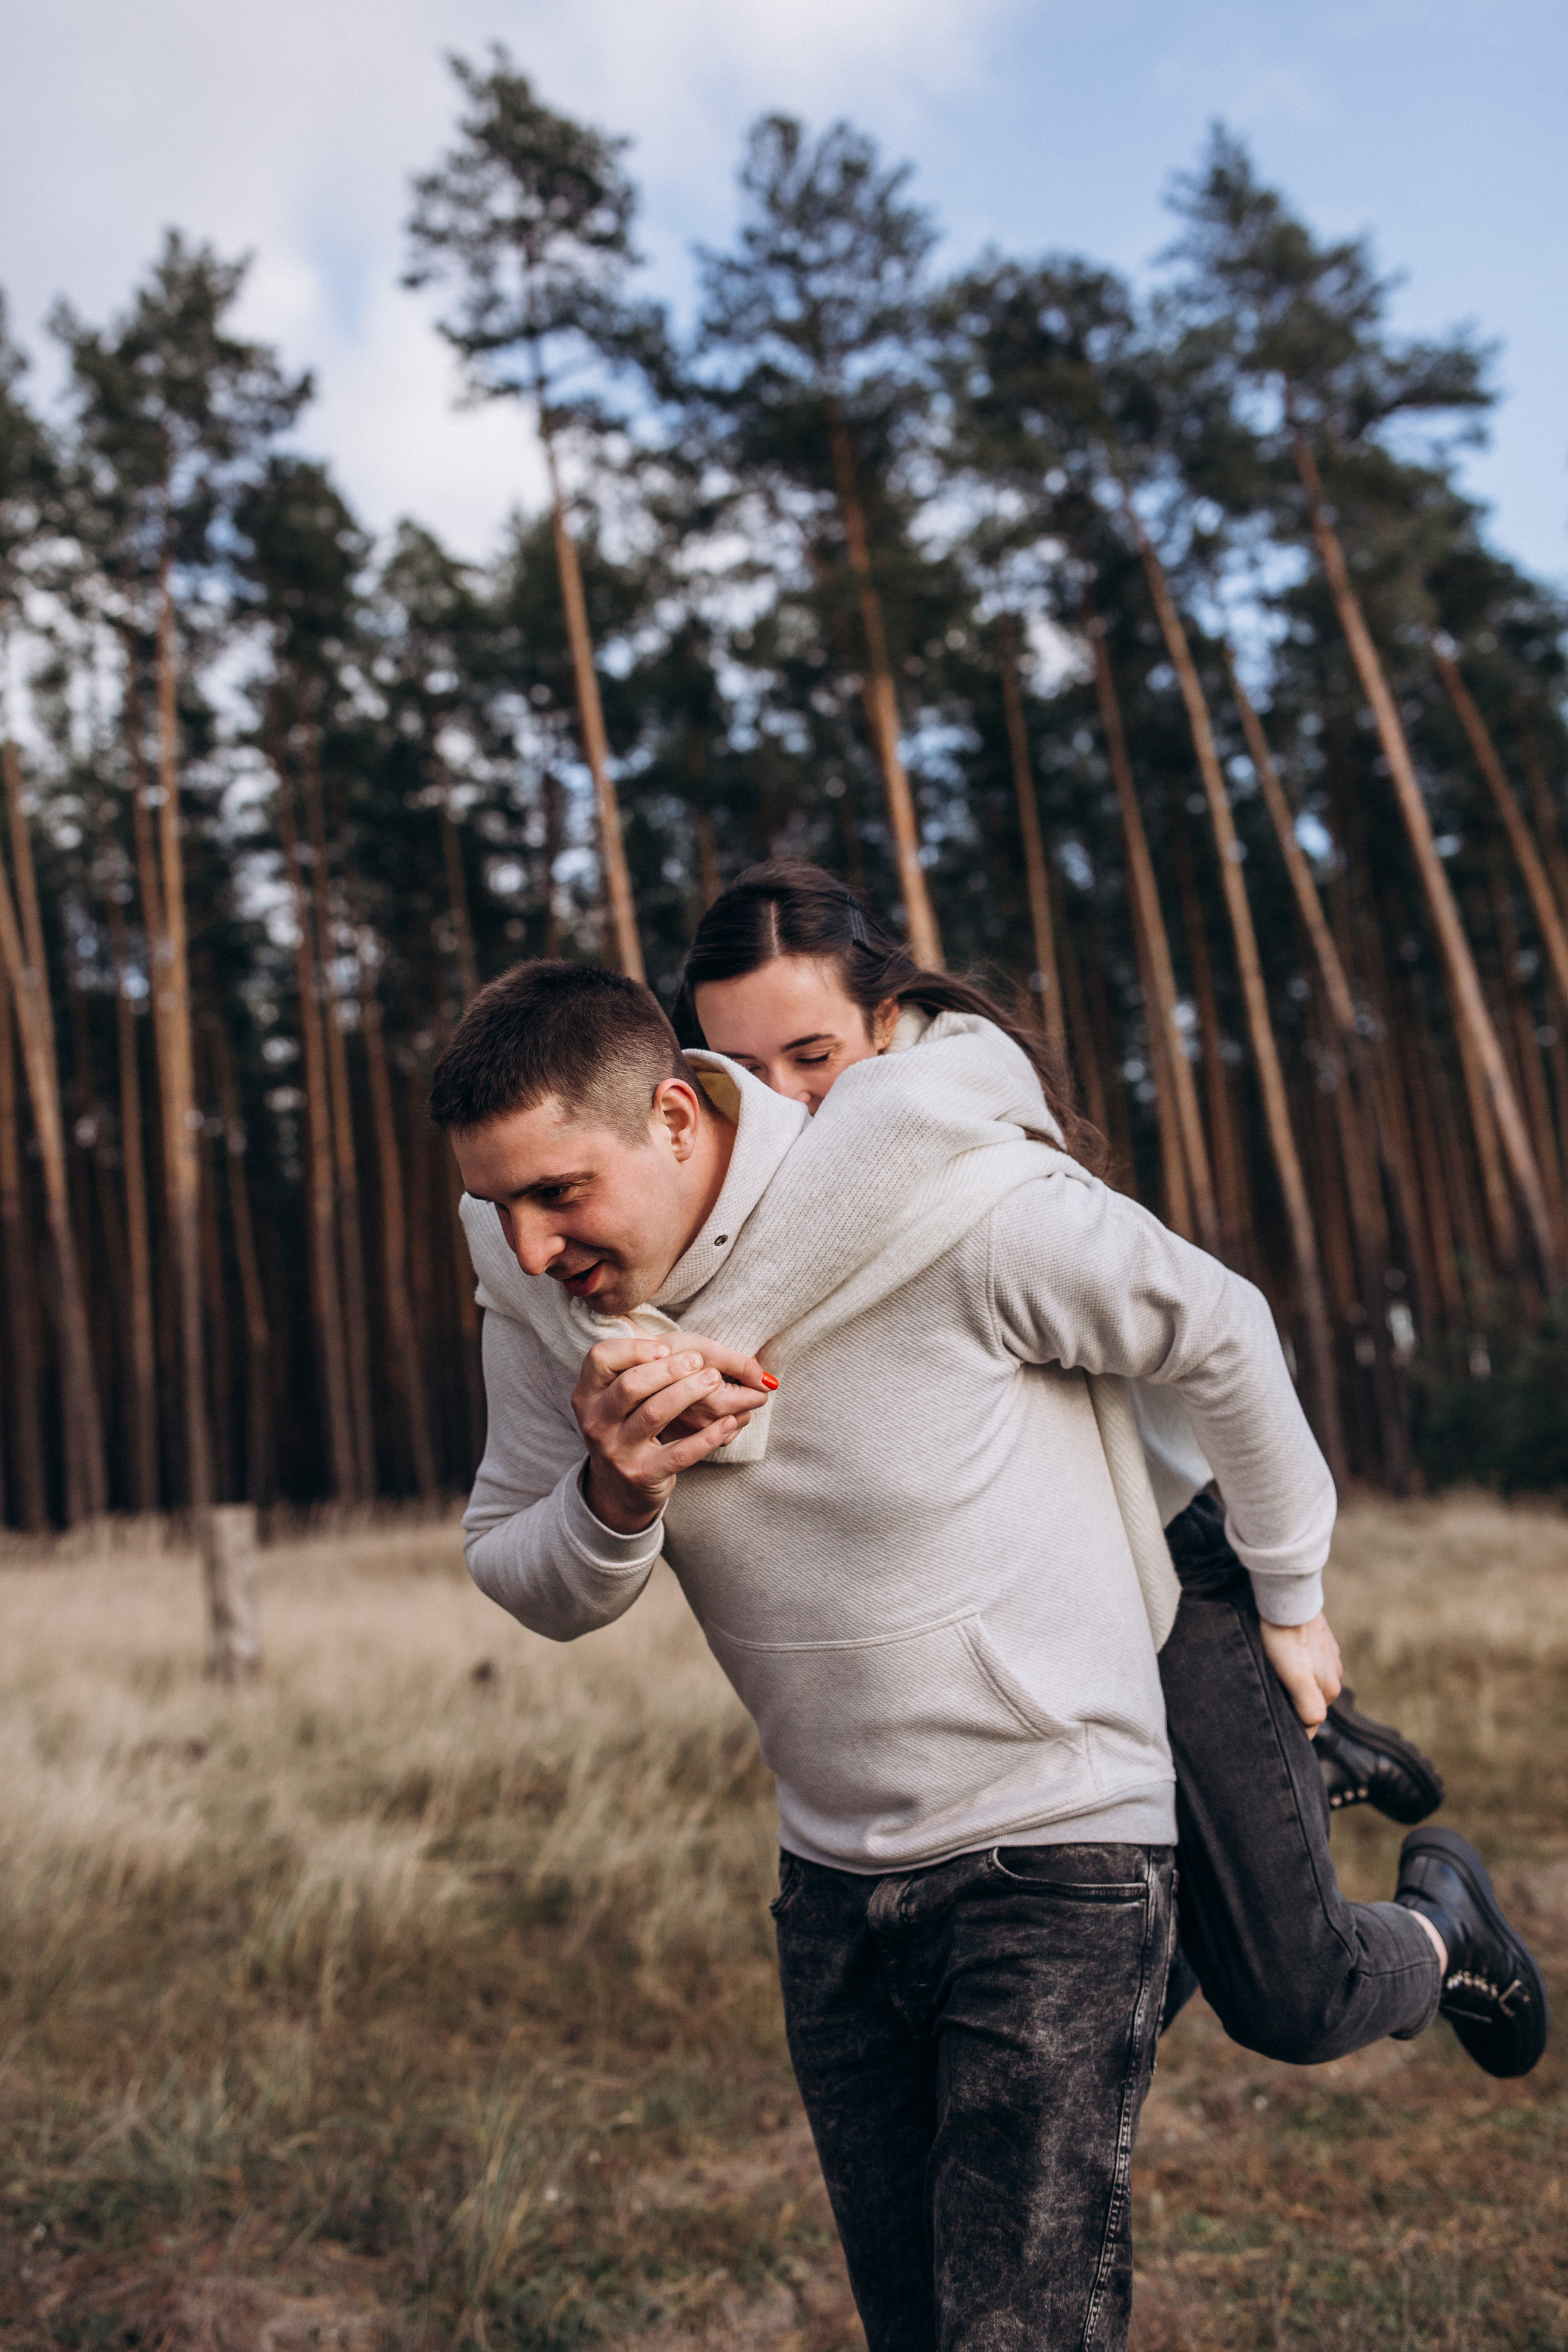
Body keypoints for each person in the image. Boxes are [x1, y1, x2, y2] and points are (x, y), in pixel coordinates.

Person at [432, 952, 1542, 2352]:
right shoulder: (540, 1292)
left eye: (556, 1194)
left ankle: (1406, 1903)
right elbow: (514, 1561)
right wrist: (614, 1496)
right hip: (829, 1886)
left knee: (1035, 2308)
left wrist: (1288, 1589)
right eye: (496, 1208)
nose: (531, 1247)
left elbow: (1219, 1328)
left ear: (669, 1116)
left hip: (1056, 1847)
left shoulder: (945, 1200)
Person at [672, 858, 1547, 2083]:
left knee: (1295, 1996)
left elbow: (1225, 1331)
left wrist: (1289, 1597)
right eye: (742, 1070)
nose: (785, 1103)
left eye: (811, 1056)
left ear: (885, 1020)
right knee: (1106, 1959)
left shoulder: (975, 1169)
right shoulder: (737, 1206)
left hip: (1170, 1560)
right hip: (1030, 1597)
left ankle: (1445, 1923)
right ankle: (1307, 1764)